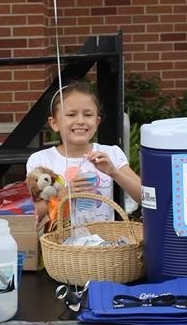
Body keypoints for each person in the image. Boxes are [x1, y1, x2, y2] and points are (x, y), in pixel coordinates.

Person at [26, 81, 142, 224]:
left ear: (97, 122)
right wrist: (64, 194)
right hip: (58, 244)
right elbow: (31, 215)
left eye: (88, 114)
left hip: (104, 243)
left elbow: (145, 197)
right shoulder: (41, 160)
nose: (80, 121)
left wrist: (114, 172)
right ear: (54, 123)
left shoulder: (110, 153)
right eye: (71, 114)